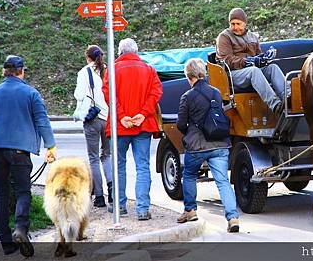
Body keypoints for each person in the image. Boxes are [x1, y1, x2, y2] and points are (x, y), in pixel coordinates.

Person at [0, 55, 56, 257]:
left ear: (4, 72)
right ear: (21, 71)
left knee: (1, 193)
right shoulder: (31, 93)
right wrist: (50, 146)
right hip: (20, 151)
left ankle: (6, 242)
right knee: (22, 191)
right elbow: (42, 120)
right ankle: (21, 228)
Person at [176, 58, 240, 233]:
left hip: (197, 146)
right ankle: (232, 217)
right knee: (223, 182)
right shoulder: (216, 93)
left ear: (189, 77)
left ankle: (190, 211)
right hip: (219, 144)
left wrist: (189, 131)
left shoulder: (187, 97)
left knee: (189, 175)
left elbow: (181, 124)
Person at [102, 38, 162, 221]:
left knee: (118, 165)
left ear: (120, 52)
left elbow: (108, 94)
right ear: (136, 52)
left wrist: (121, 116)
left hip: (120, 126)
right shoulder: (149, 70)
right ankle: (142, 209)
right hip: (142, 125)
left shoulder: (112, 70)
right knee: (142, 166)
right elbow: (156, 92)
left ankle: (120, 206)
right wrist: (143, 114)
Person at [215, 7, 286, 114]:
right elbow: (227, 60)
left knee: (273, 68)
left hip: (251, 71)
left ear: (245, 23)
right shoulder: (224, 37)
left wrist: (265, 57)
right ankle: (275, 105)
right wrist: (248, 61)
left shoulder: (253, 37)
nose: (235, 27)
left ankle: (288, 98)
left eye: (238, 24)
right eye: (232, 24)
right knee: (254, 71)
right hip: (233, 74)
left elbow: (258, 55)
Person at [72, 45, 112, 208]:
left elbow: (79, 95)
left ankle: (100, 196)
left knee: (94, 158)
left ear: (87, 57)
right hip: (108, 118)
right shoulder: (109, 70)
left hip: (92, 119)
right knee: (107, 155)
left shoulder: (84, 73)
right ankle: (112, 190)